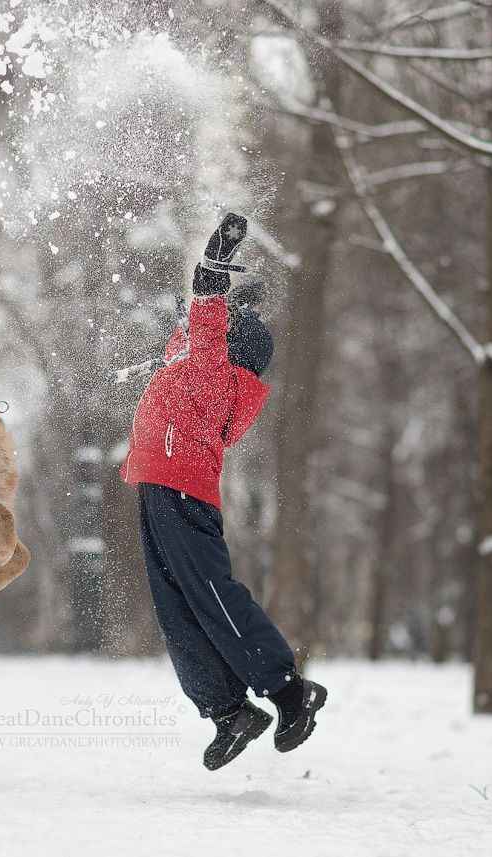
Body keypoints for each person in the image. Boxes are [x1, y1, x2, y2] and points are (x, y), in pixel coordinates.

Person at [120, 213, 327, 771]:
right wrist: (243, 304)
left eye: (208, 333)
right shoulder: (203, 367)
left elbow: (203, 313)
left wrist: (216, 264)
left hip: (179, 491)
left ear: (225, 348)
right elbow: (190, 333)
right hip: (158, 490)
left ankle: (288, 692)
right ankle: (229, 711)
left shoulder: (213, 373)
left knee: (211, 596)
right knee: (178, 610)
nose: (189, 338)